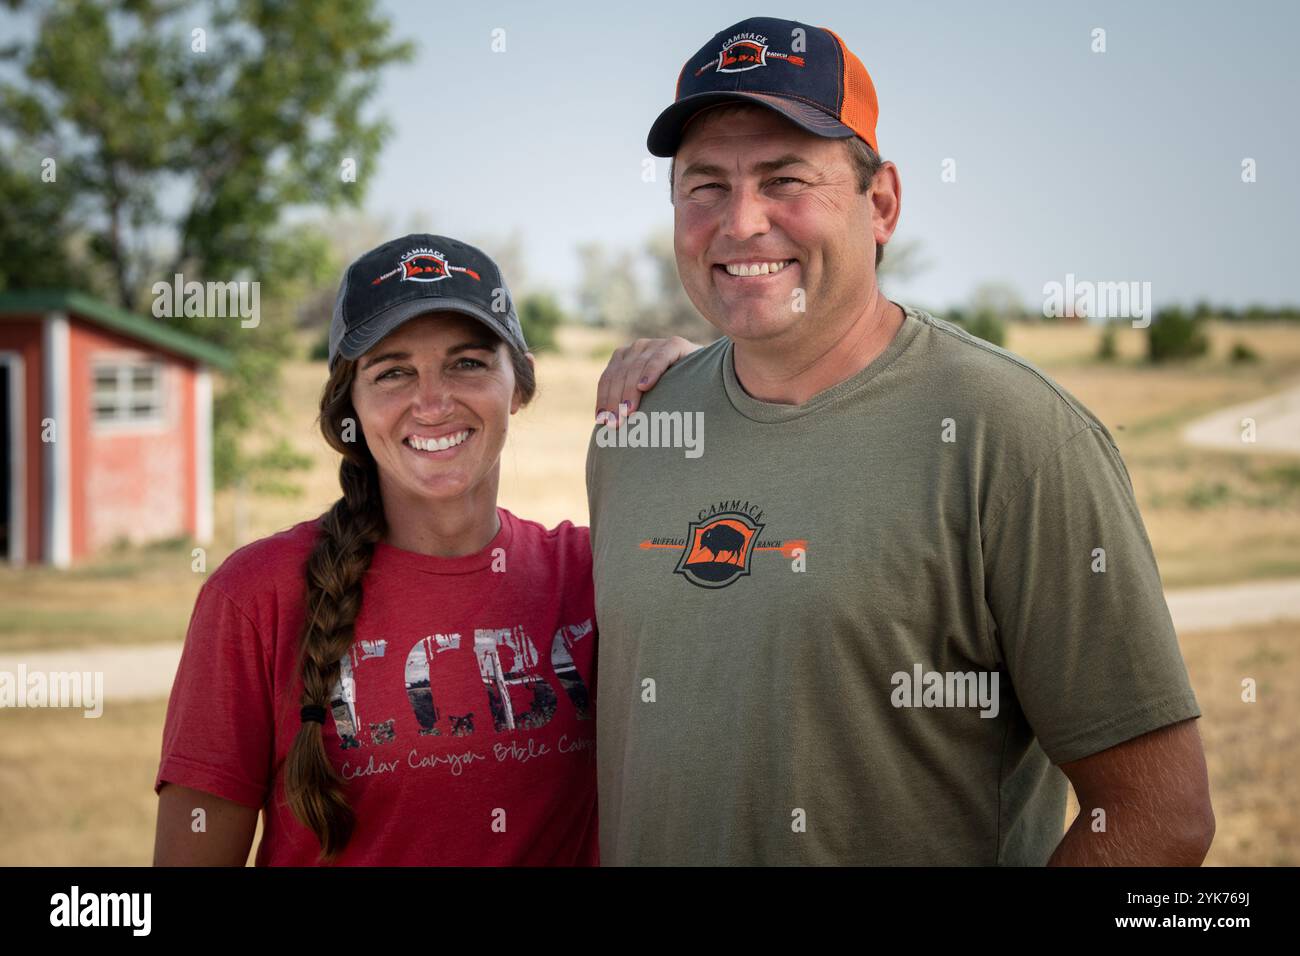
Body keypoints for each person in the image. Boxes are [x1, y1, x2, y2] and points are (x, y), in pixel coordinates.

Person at [587, 17, 1215, 865]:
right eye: (705, 186)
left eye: (784, 179)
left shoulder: (1018, 439)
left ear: (880, 203)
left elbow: (1159, 816)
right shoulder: (636, 429)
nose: (740, 223)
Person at [153, 234, 695, 865]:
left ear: (517, 386)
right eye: (393, 372)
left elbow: (756, 586)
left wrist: (699, 381)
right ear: (347, 406)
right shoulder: (257, 595)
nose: (433, 402)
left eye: (468, 363)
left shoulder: (595, 571)